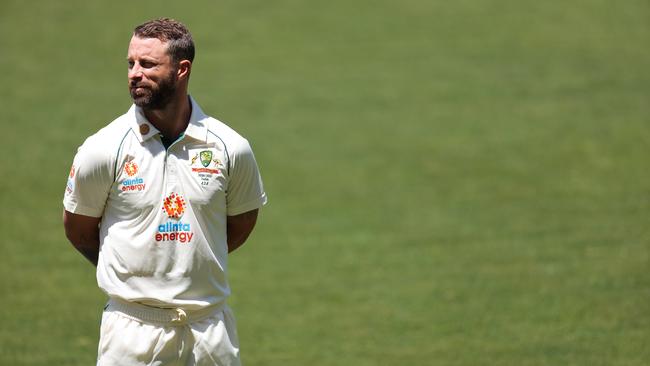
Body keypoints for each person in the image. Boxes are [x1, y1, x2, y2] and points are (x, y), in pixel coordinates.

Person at [63, 18, 267, 366]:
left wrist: (187, 259)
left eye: (148, 64)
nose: (135, 73)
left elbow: (239, 224)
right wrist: (134, 268)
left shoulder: (230, 147)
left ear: (182, 69)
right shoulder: (102, 149)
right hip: (132, 331)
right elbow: (78, 228)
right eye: (131, 63)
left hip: (209, 332)